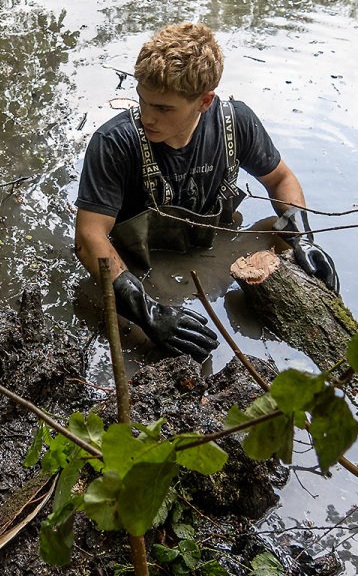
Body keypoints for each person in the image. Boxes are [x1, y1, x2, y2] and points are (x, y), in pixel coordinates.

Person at [74, 22, 339, 361]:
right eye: (143, 101)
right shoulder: (115, 142)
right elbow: (88, 237)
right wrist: (147, 311)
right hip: (142, 267)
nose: (147, 117)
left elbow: (281, 179)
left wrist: (302, 238)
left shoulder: (235, 123)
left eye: (163, 108)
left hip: (213, 257)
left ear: (204, 101)